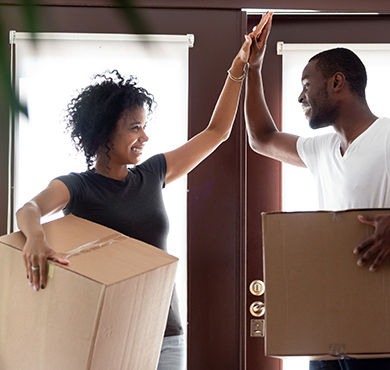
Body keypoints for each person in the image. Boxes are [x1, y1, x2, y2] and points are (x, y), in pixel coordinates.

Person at [15, 13, 272, 370]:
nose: (145, 137)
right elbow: (28, 208)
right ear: (105, 132)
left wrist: (240, 65)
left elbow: (217, 132)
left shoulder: (152, 173)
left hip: (167, 336)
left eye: (145, 127)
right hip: (105, 333)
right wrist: (36, 238)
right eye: (135, 128)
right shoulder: (77, 186)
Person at [245, 16, 390, 370]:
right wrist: (253, 68)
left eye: (307, 84)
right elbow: (261, 138)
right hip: (327, 332)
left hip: (384, 333)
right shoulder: (322, 150)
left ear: (337, 82)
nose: (300, 96)